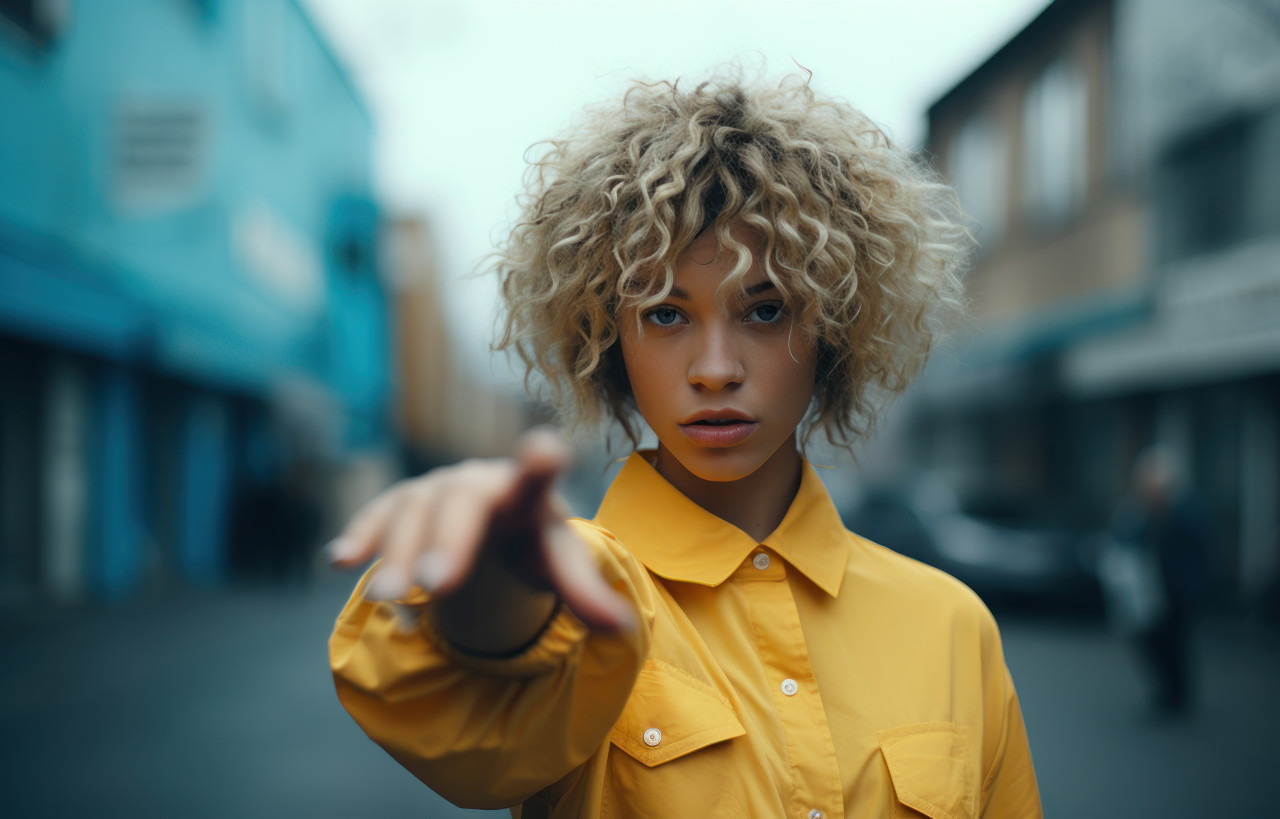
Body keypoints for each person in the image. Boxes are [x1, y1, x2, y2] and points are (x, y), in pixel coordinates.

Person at [328, 69, 1042, 818]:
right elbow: (458, 713)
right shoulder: (574, 586)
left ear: (835, 327)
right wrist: (487, 585)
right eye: (666, 315)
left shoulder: (951, 624)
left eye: (765, 310)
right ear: (607, 340)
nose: (715, 369)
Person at [1111, 446, 1213, 716]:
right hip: (1151, 589)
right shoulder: (1142, 511)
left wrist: (1196, 586)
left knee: (1176, 643)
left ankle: (1178, 695)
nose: (1150, 491)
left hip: (1179, 589)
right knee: (1150, 640)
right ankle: (1165, 690)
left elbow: (1200, 551)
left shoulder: (1186, 512)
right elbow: (1124, 536)